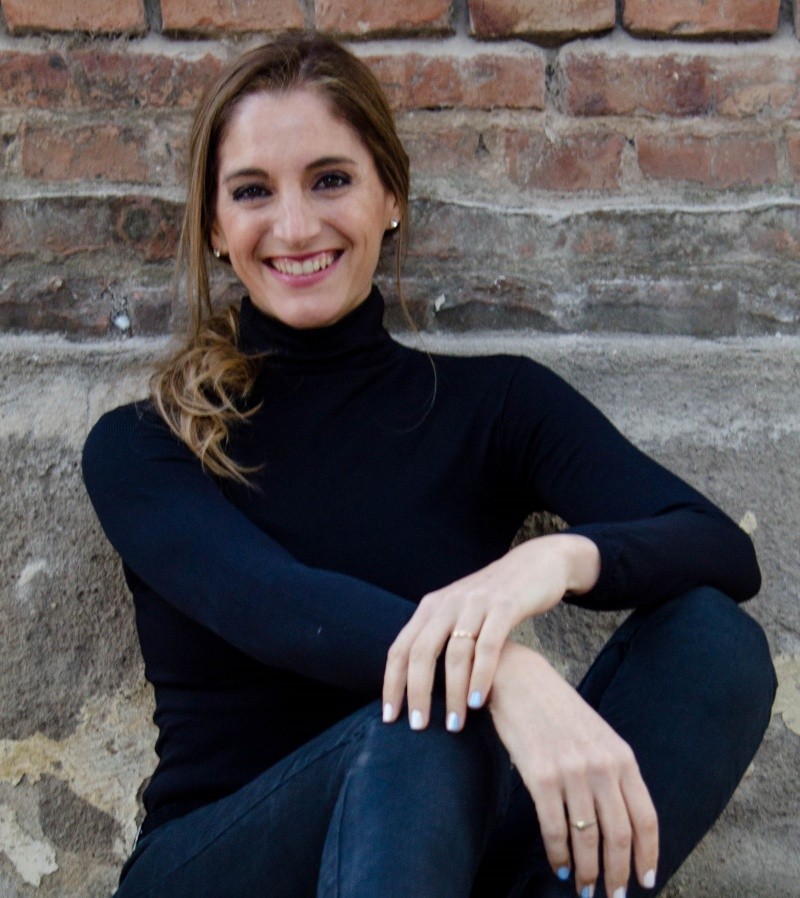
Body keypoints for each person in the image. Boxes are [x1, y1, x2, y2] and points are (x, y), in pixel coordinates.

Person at [82, 34, 776, 898]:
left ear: (391, 198)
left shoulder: (496, 405)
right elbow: (280, 608)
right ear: (216, 230)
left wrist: (550, 561)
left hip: (440, 860)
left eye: (330, 180)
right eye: (253, 191)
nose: (294, 226)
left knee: (714, 643)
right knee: (422, 723)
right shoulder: (146, 442)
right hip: (221, 868)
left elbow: (717, 547)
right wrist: (504, 672)